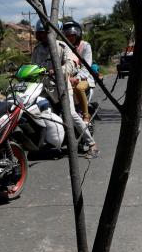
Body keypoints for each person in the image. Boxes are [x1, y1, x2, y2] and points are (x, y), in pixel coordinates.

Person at [30, 20, 99, 158]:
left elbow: (71, 66)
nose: (42, 36)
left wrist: (56, 70)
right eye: (40, 34)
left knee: (71, 114)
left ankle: (92, 144)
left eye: (44, 33)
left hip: (62, 88)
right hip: (44, 89)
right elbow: (33, 67)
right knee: (38, 111)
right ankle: (50, 142)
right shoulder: (37, 50)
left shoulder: (63, 46)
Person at [61, 20, 94, 123]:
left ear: (78, 34)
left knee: (79, 88)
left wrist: (77, 77)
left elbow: (86, 66)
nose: (70, 38)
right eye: (67, 35)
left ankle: (86, 115)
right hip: (66, 77)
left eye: (72, 35)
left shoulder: (85, 46)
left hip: (84, 77)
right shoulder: (63, 47)